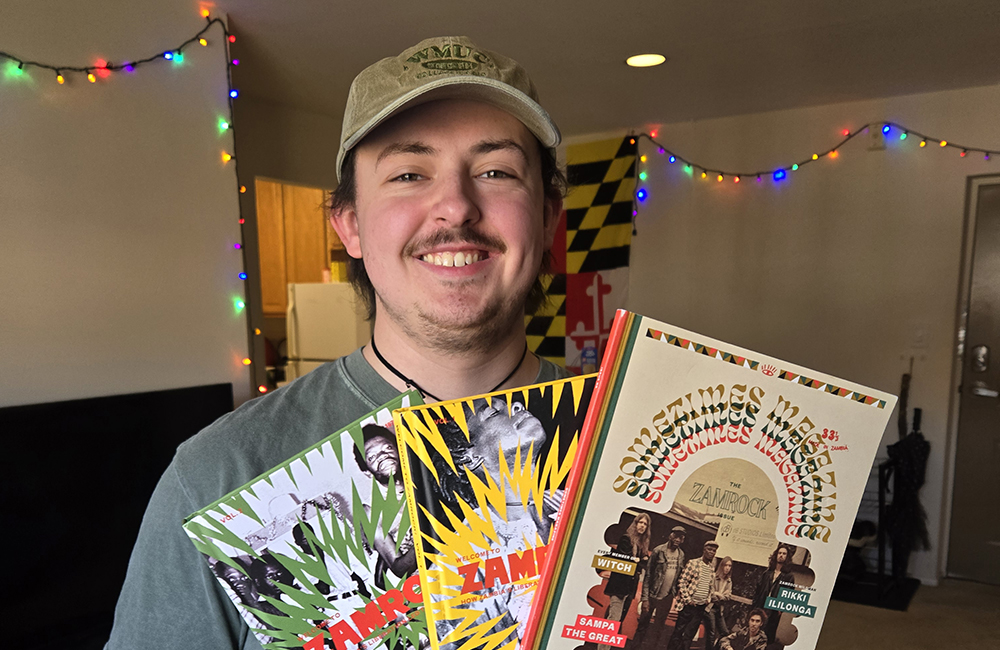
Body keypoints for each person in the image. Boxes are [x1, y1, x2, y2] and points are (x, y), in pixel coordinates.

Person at [105, 35, 567, 650]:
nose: (455, 205)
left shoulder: (623, 433)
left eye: (496, 171)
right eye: (409, 173)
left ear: (548, 219)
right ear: (348, 224)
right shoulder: (216, 479)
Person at [597, 512, 651, 650]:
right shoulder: (626, 539)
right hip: (619, 586)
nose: (643, 526)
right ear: (635, 523)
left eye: (645, 524)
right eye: (641, 522)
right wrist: (639, 561)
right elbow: (626, 561)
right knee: (613, 620)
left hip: (629, 588)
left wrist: (639, 561)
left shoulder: (640, 544)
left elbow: (641, 562)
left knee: (617, 621)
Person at [666, 540, 719, 650]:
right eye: (709, 549)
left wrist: (707, 599)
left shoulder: (711, 569)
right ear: (704, 550)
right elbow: (682, 581)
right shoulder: (693, 563)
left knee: (689, 635)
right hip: (688, 606)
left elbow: (710, 587)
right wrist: (688, 599)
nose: (711, 552)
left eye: (714, 551)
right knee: (679, 632)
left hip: (700, 607)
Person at [638, 525, 688, 637]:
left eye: (681, 538)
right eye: (675, 536)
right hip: (652, 595)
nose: (677, 540)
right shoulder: (658, 551)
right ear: (670, 536)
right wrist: (645, 599)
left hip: (667, 597)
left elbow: (678, 576)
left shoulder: (681, 555)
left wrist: (675, 593)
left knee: (658, 629)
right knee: (642, 627)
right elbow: (648, 575)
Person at [751, 544, 796, 644]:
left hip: (774, 609)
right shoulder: (767, 573)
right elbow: (758, 590)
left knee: (768, 633)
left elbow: (789, 593)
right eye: (779, 553)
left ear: (787, 557)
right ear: (776, 555)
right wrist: (755, 603)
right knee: (755, 630)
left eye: (784, 554)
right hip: (761, 605)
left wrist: (781, 609)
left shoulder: (789, 576)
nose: (781, 555)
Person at [707, 555, 734, 645]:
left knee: (725, 632)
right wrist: (719, 595)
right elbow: (710, 593)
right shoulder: (714, 577)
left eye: (729, 566)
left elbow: (728, 596)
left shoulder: (729, 581)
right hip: (710, 607)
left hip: (719, 609)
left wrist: (718, 594)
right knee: (711, 632)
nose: (727, 568)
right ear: (722, 566)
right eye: (726, 565)